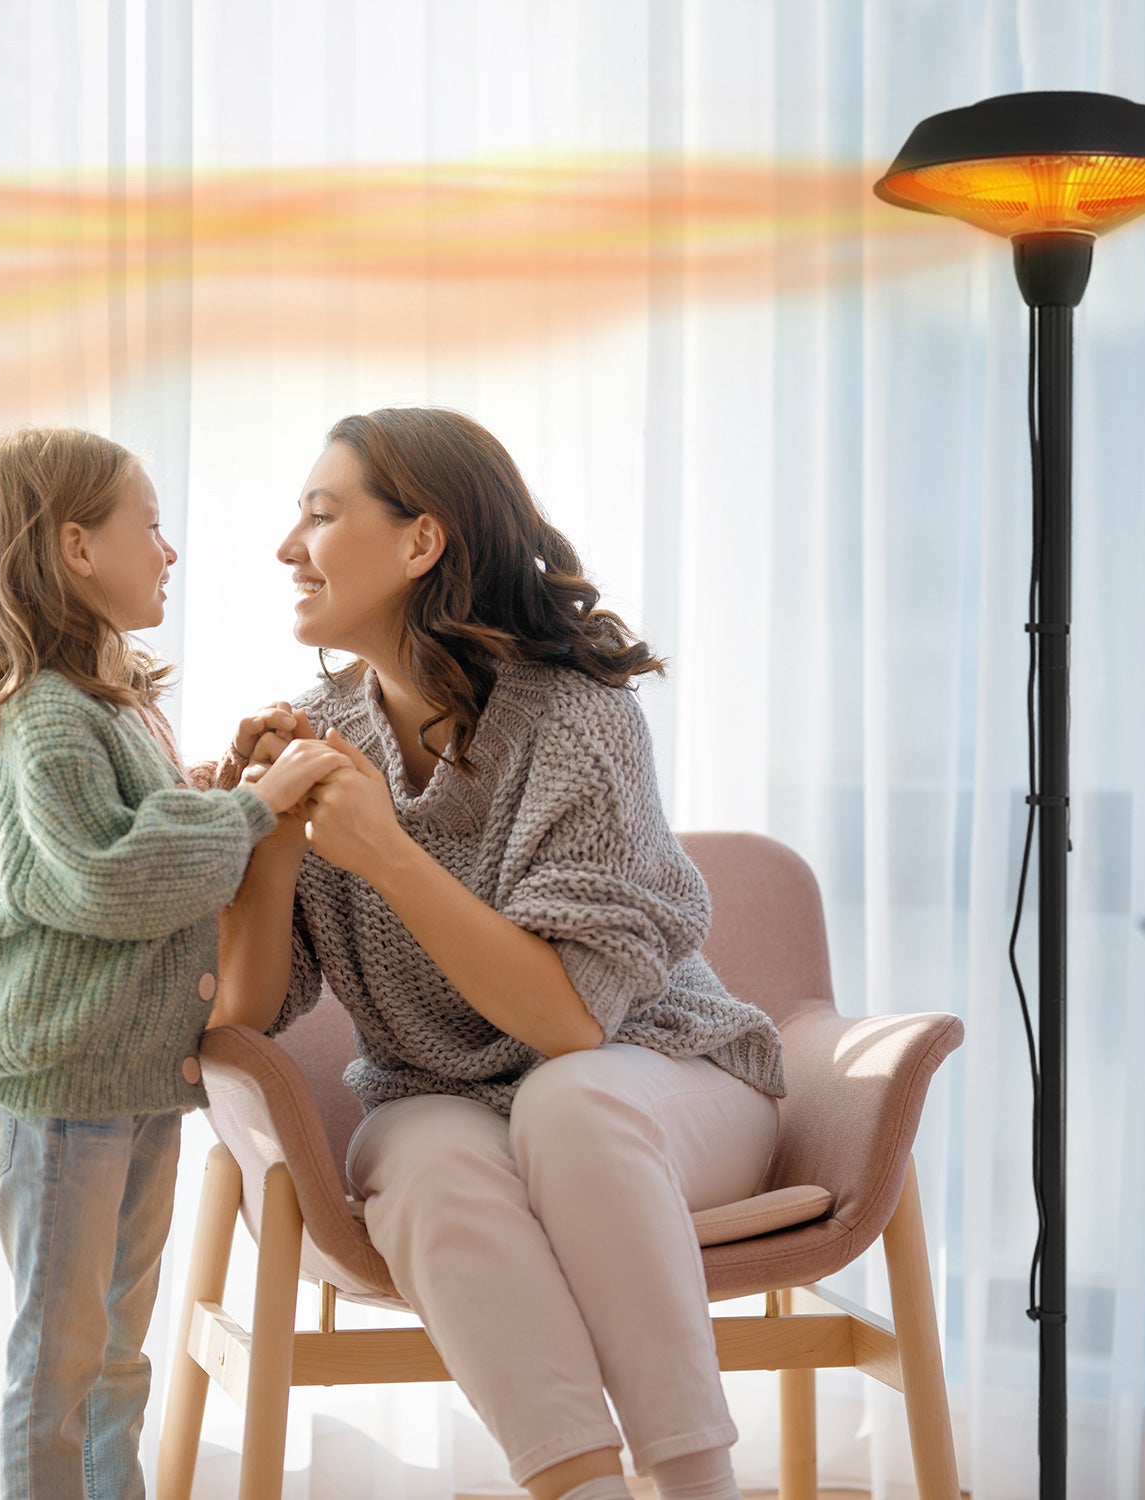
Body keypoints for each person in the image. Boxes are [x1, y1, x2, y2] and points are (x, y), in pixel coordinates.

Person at [211, 407, 786, 1500]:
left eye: (321, 516)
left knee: (568, 1101)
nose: (289, 548)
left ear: (421, 541)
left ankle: (698, 1485)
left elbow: (572, 1022)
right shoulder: (320, 731)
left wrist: (386, 852)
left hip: (661, 1080)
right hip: (445, 1097)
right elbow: (246, 1011)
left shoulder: (577, 718)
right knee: (417, 1160)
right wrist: (267, 847)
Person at [0, 428, 350, 1500]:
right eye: (149, 527)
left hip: (128, 1077)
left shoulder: (112, 704)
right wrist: (254, 807)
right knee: (63, 1355)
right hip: (65, 1085)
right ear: (75, 548)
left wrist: (223, 777)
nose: (169, 551)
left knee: (119, 1349)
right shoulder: (49, 718)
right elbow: (108, 882)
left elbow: (141, 832)